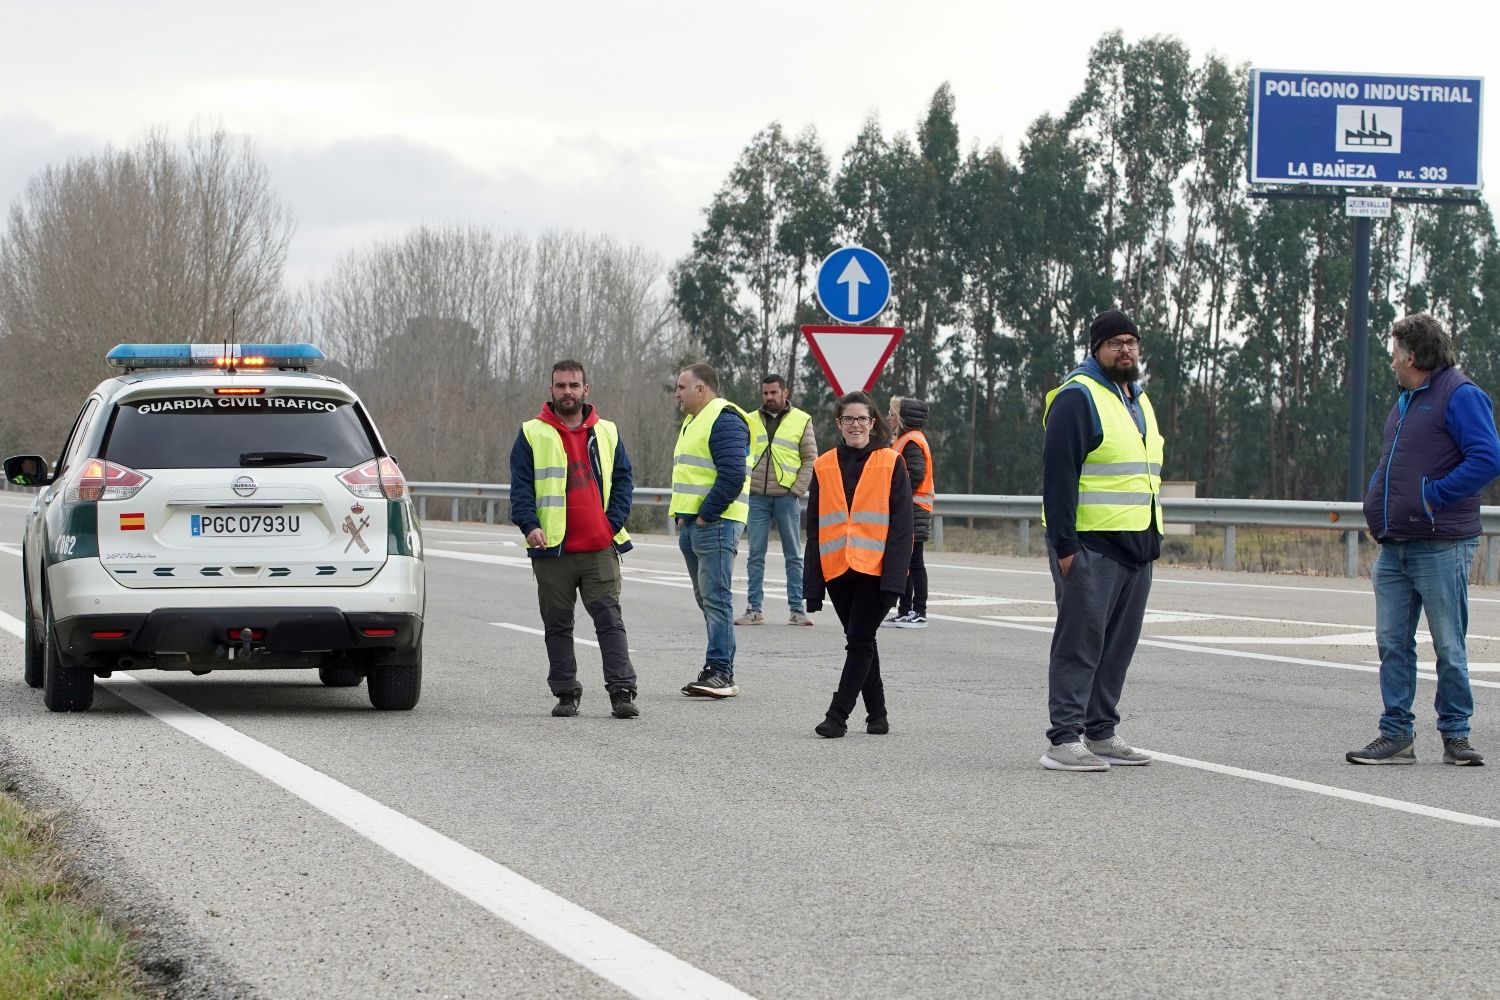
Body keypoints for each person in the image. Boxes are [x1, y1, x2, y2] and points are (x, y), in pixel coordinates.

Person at [1348, 313, 1500, 766]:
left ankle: (1456, 735)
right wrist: (1375, 505)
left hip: (1441, 544)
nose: (1390, 361)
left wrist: (1433, 496)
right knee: (1392, 642)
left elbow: (1488, 457)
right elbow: (1388, 464)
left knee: (1449, 644)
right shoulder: (1405, 401)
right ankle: (1396, 734)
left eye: (1394, 351)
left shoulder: (1460, 395)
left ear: (1412, 354)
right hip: (1395, 544)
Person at [1039, 309, 1161, 772]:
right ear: (1096, 349)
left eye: (1131, 341)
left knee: (1118, 645)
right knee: (1080, 643)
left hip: (1137, 546)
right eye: (1115, 343)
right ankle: (1064, 738)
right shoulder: (1078, 396)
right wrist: (1064, 546)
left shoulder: (1137, 399)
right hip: (1090, 545)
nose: (1125, 349)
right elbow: (1059, 476)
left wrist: (1152, 538)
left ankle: (1102, 732)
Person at [509, 360, 639, 719]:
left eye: (574, 385)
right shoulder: (532, 433)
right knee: (557, 625)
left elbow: (625, 481)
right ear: (551, 390)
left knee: (610, 621)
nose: (568, 391)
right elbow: (520, 489)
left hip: (600, 547)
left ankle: (622, 692)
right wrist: (529, 525)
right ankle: (566, 693)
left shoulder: (608, 431)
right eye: (561, 385)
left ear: (586, 389)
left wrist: (612, 524)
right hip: (552, 549)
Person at [803, 391, 914, 738]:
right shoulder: (823, 465)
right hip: (837, 571)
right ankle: (877, 714)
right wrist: (813, 586)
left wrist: (895, 582)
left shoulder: (890, 461)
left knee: (860, 640)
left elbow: (902, 527)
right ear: (839, 424)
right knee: (862, 640)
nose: (855, 425)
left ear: (873, 422)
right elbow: (815, 529)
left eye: (862, 419)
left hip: (876, 571)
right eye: (848, 419)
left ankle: (837, 716)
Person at [670, 363, 751, 698]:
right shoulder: (693, 421)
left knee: (716, 600)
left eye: (681, 387)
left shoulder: (725, 418)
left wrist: (705, 514)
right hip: (693, 524)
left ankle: (721, 672)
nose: (677, 393)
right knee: (707, 599)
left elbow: (732, 475)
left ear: (700, 389)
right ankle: (718, 669)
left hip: (715, 523)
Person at [736, 373, 818, 627]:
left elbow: (810, 459)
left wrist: (796, 490)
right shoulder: (749, 419)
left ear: (786, 392)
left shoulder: (802, 420)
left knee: (793, 555)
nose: (769, 397)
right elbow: (741, 454)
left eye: (774, 392)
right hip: (757, 498)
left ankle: (797, 609)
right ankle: (754, 609)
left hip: (786, 497)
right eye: (765, 393)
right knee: (755, 555)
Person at [883, 396, 934, 629]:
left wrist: (897, 497)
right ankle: (904, 610)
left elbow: (914, 475)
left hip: (914, 508)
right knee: (906, 562)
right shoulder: (905, 440)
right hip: (910, 508)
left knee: (914, 562)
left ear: (902, 418)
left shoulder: (912, 441)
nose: (889, 418)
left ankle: (919, 611)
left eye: (892, 414)